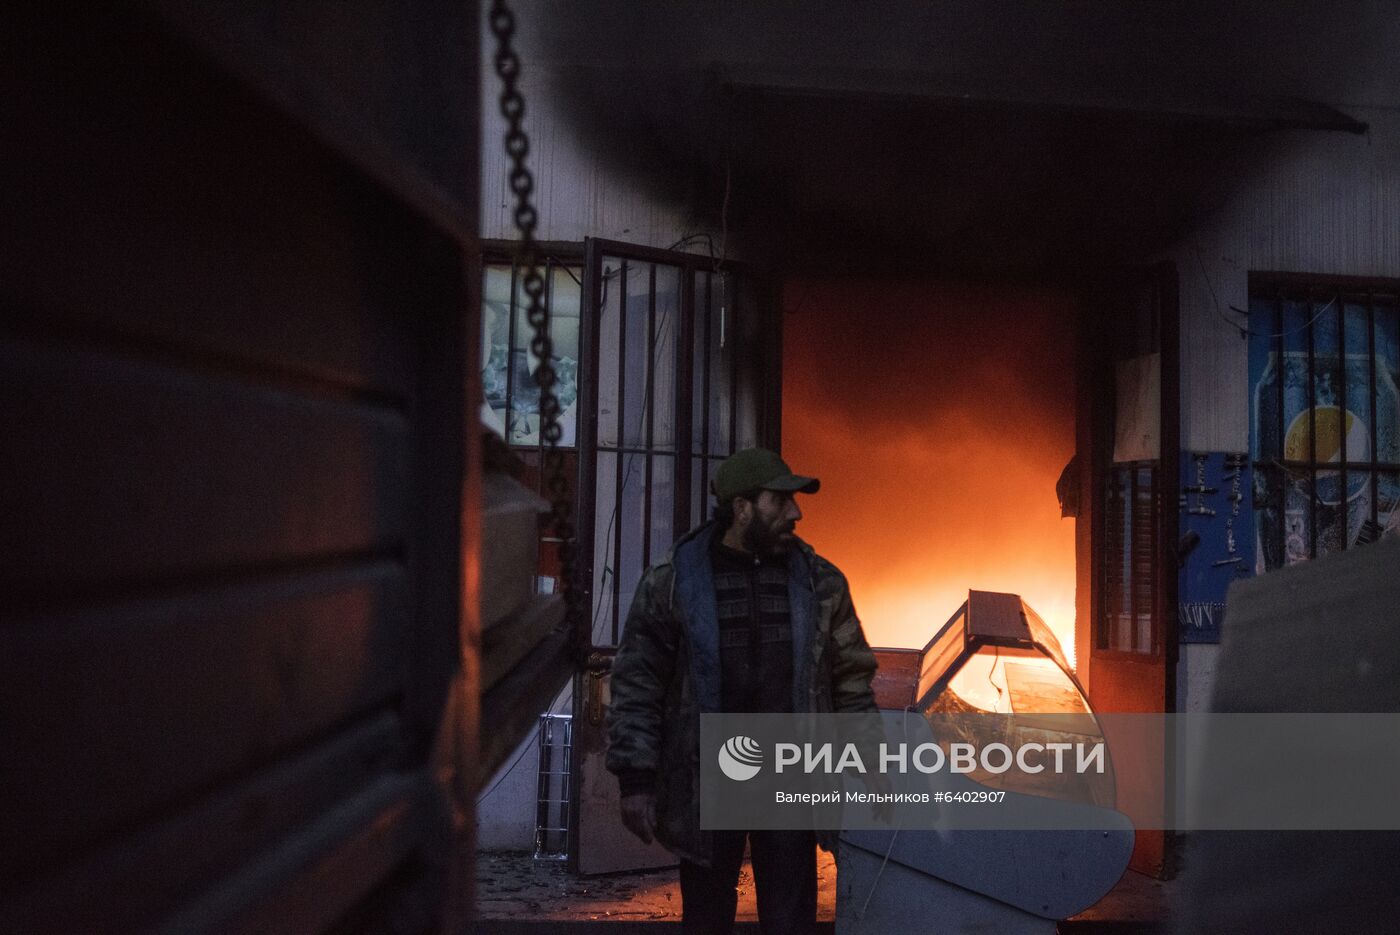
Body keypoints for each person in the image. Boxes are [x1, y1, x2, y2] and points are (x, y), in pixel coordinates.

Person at [606, 446, 879, 934]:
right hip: (705, 778)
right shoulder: (674, 583)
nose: (796, 513)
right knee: (708, 918)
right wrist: (636, 780)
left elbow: (850, 680)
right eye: (781, 501)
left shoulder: (820, 584)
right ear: (742, 508)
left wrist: (873, 763)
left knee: (791, 919)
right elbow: (637, 681)